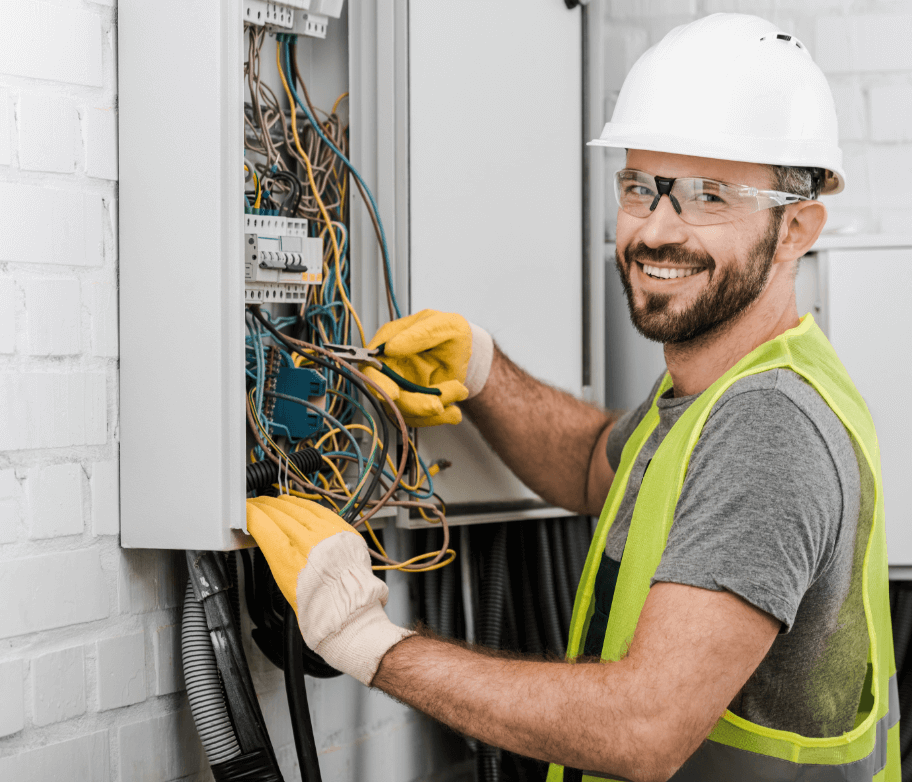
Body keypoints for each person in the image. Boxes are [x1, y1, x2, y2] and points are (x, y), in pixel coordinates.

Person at [246, 14, 899, 782]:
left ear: (796, 229)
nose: (656, 230)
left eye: (708, 196)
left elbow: (644, 729)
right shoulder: (718, 388)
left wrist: (369, 643)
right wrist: (485, 370)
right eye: (639, 187)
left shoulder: (767, 425)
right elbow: (598, 466)